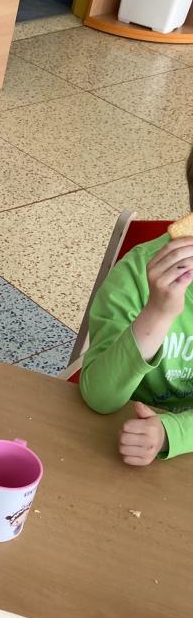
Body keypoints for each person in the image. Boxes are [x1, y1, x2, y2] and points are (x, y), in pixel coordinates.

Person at [80, 147, 193, 465]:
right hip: (120, 429)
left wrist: (172, 432)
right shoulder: (135, 275)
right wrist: (158, 312)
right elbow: (99, 396)